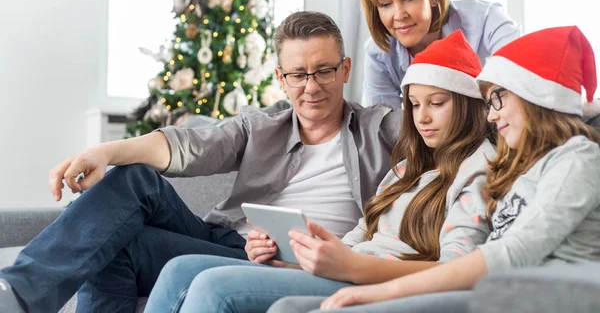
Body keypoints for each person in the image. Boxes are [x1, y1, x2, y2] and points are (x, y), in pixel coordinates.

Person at [0, 12, 403, 313]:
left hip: (292, 262)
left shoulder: (380, 130)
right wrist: (104, 152)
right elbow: (188, 145)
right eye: (298, 75)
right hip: (226, 242)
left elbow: (446, 114)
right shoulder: (262, 125)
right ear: (281, 78)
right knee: (135, 181)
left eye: (324, 72)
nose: (311, 87)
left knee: (122, 244)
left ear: (345, 69)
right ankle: (18, 295)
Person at [142, 29, 497, 313]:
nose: (421, 117)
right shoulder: (408, 169)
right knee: (180, 269)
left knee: (212, 286)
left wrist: (352, 268)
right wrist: (298, 261)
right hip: (345, 271)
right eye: (415, 104)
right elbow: (356, 240)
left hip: (372, 280)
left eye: (437, 103)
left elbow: (458, 271)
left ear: (468, 104)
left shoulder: (478, 170)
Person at [273, 25, 600, 313]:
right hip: (495, 288)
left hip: (528, 295)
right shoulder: (525, 166)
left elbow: (510, 253)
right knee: (287, 308)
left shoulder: (577, 158)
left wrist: (380, 289)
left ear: (535, 97)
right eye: (414, 105)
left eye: (499, 99)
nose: (491, 115)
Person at [361, 0, 521, 108]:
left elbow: (518, 78)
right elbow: (385, 125)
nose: (399, 15)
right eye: (385, 4)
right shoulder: (378, 54)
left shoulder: (486, 18)